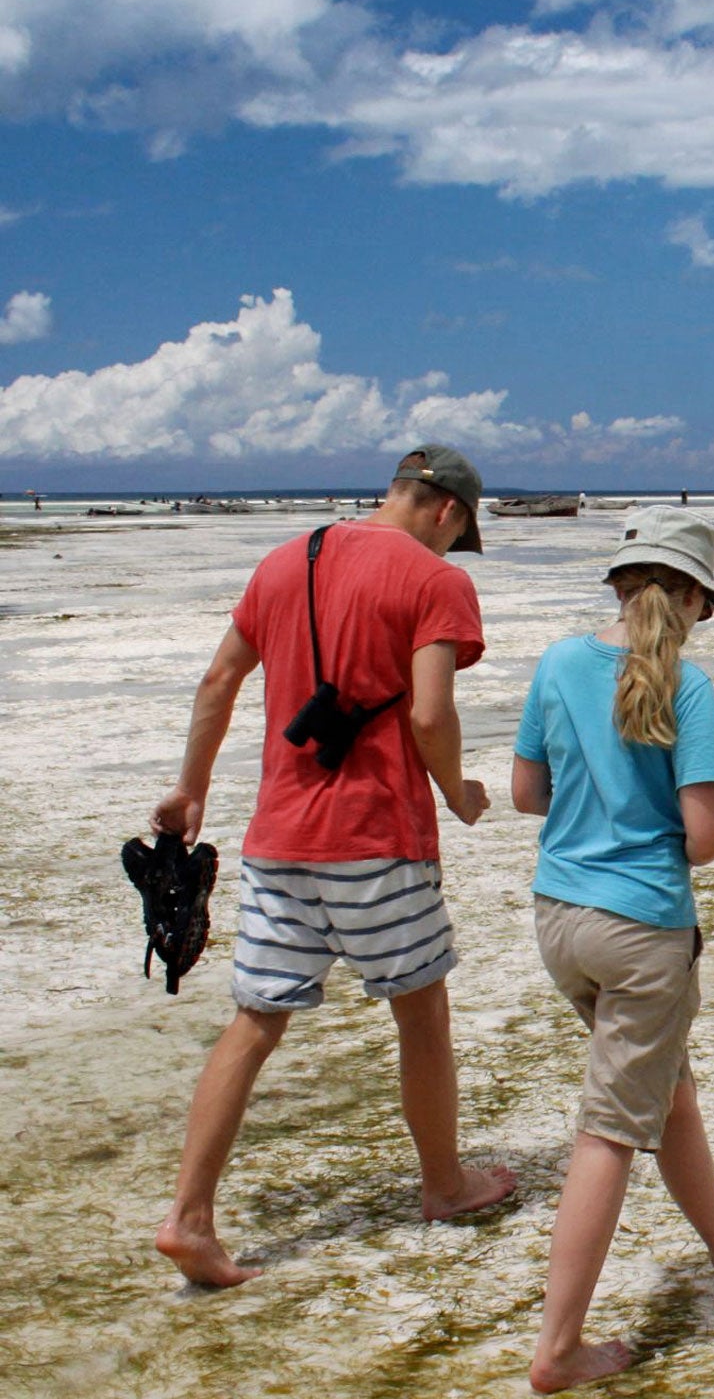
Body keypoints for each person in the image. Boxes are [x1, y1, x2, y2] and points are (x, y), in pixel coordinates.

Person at [150, 445, 512, 1287]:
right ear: (447, 511)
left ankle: (190, 1217)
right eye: (457, 537)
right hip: (379, 838)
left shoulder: (285, 560)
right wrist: (457, 791)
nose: (453, 552)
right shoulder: (436, 580)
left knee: (254, 1021)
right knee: (421, 1016)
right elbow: (429, 712)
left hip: (279, 840)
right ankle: (444, 1185)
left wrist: (191, 790)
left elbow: (218, 680)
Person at [512, 506, 714, 1393]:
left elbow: (525, 793)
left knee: (670, 1095)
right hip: (642, 930)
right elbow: (704, 841)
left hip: (560, 920)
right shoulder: (688, 689)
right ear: (695, 597)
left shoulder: (554, 662)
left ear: (621, 584)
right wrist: (712, 820)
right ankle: (557, 1350)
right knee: (611, 1132)